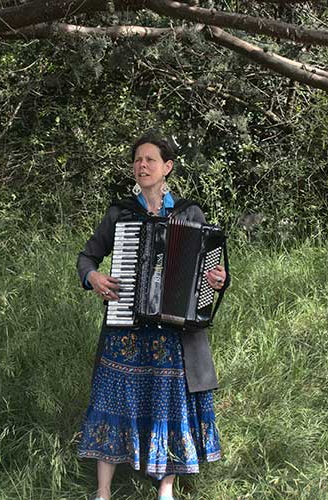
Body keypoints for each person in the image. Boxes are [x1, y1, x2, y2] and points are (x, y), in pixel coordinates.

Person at [77, 131, 228, 500]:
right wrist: (93, 277)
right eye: (138, 160)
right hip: (126, 325)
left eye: (150, 160)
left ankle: (166, 487)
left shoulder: (189, 212)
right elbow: (87, 257)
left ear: (167, 168)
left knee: (169, 399)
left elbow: (213, 270)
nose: (142, 166)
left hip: (173, 330)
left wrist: (218, 279)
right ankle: (103, 491)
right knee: (112, 398)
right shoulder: (120, 213)